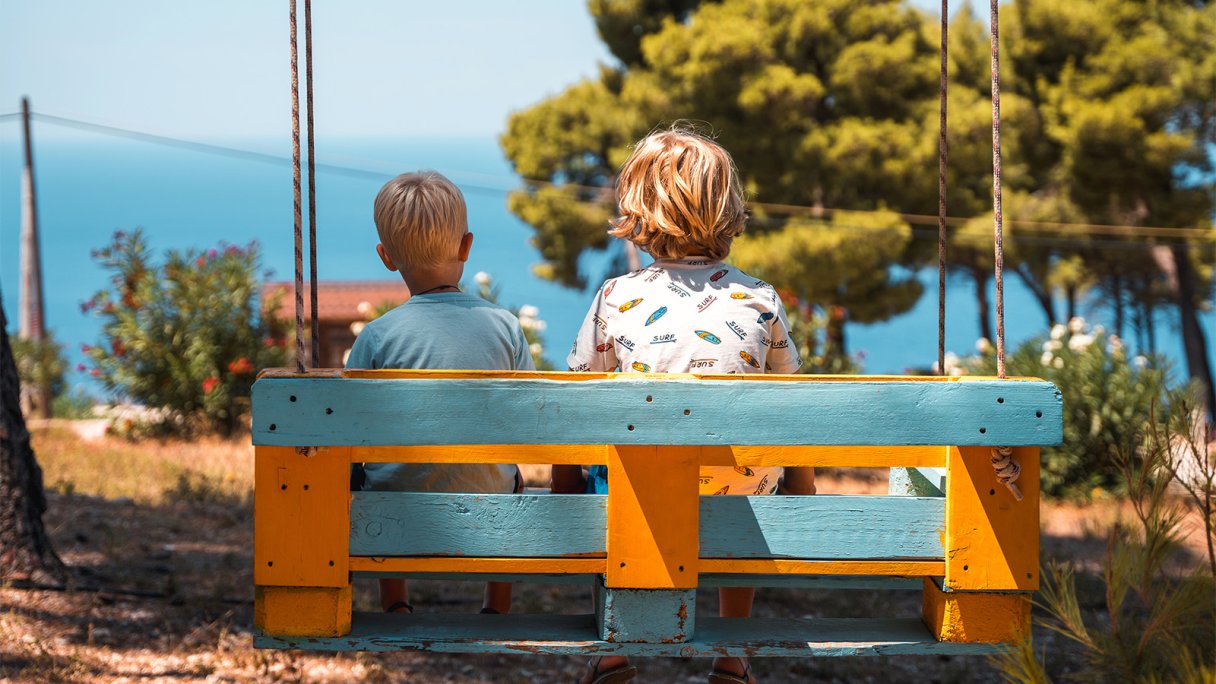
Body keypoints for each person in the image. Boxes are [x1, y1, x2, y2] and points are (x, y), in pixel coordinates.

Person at [554, 128, 817, 684]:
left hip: (637, 498)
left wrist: (564, 486)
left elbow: (576, 400)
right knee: (751, 471)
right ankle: (732, 654)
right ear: (728, 210)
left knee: (610, 473)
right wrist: (803, 488)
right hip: (738, 497)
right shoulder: (760, 299)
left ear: (641, 212)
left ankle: (613, 649)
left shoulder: (615, 298)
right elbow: (792, 404)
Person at [348, 171, 533, 616]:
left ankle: (395, 601)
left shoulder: (376, 337)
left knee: (371, 479)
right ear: (466, 246)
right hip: (490, 499)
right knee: (511, 478)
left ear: (386, 257)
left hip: (394, 510)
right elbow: (532, 417)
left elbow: (347, 426)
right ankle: (496, 602)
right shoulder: (505, 326)